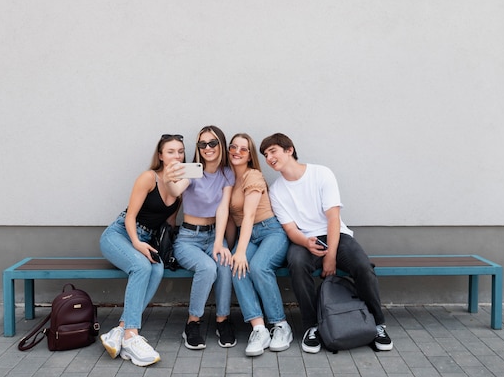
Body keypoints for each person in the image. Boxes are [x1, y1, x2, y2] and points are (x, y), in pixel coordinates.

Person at [259, 133, 393, 353]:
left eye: (273, 151)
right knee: (297, 264)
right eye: (265, 155)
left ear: (289, 149)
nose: (269, 158)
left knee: (362, 266)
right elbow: (291, 229)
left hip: (336, 235)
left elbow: (333, 217)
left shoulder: (321, 173)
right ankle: (312, 327)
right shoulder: (276, 191)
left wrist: (330, 257)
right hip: (305, 239)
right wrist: (306, 242)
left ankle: (378, 324)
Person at [99, 134, 185, 366]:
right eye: (170, 151)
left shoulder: (180, 185)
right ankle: (132, 335)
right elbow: (130, 217)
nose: (176, 156)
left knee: (157, 270)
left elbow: (170, 223)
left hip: (146, 239)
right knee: (140, 267)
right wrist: (137, 243)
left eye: (180, 151)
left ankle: (118, 330)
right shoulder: (149, 178)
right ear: (160, 155)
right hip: (120, 235)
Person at [165, 125, 236, 350]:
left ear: (221, 145)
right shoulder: (193, 170)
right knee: (207, 268)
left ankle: (222, 320)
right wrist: (169, 178)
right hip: (188, 238)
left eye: (212, 143)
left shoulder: (227, 173)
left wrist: (218, 243)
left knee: (225, 264)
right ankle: (192, 323)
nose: (207, 148)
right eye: (202, 144)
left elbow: (223, 209)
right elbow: (176, 192)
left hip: (214, 234)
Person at [226, 133, 293, 357]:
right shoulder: (228, 178)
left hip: (270, 231)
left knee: (258, 266)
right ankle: (259, 328)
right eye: (233, 147)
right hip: (249, 234)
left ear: (249, 155)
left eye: (243, 149)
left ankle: (281, 325)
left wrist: (241, 251)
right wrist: (231, 249)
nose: (237, 151)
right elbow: (231, 219)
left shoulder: (253, 175)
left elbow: (249, 215)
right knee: (236, 268)